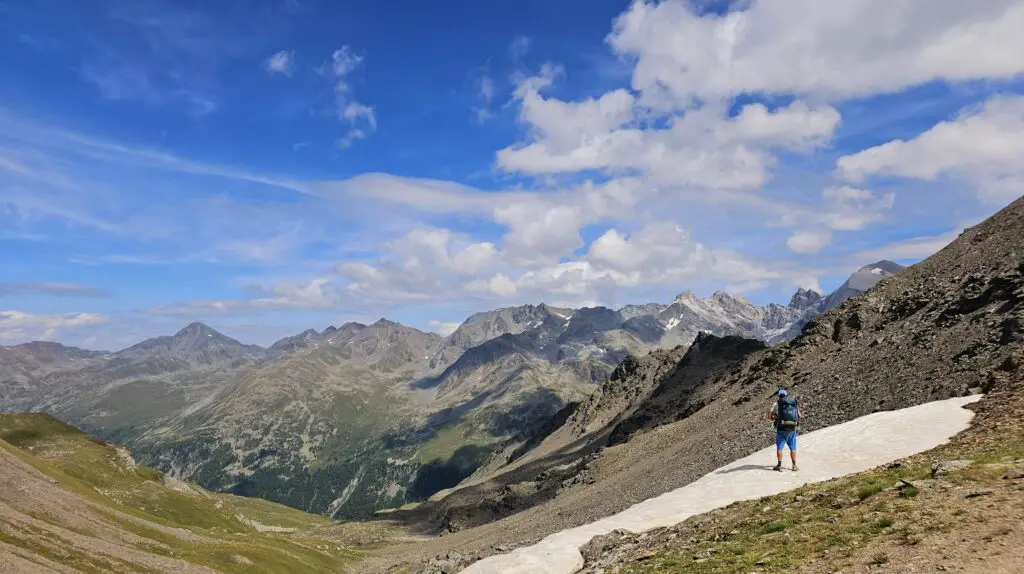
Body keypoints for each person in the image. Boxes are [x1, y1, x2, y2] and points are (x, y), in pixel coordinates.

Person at [768, 388, 800, 472]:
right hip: (791, 429)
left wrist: (774, 418)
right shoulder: (793, 403)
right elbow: (799, 415)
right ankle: (794, 465)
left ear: (779, 395)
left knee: (779, 448)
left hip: (781, 429)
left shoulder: (776, 404)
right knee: (793, 448)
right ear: (786, 395)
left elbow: (769, 417)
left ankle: (779, 465)